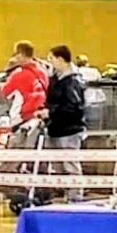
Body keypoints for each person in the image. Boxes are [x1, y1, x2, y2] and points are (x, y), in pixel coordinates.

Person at [42, 45, 87, 202]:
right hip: (55, 128)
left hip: (69, 130)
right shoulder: (55, 79)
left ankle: (75, 197)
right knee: (58, 166)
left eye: (51, 58)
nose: (49, 62)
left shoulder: (73, 81)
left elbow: (74, 108)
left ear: (60, 59)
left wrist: (51, 113)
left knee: (70, 165)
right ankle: (64, 195)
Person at [0, 40, 48, 130]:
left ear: (21, 54)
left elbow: (5, 93)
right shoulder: (43, 71)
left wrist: (9, 72)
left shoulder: (18, 74)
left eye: (16, 54)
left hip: (22, 118)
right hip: (40, 115)